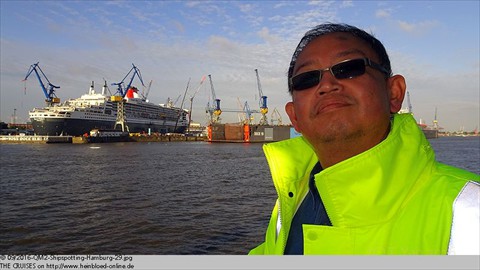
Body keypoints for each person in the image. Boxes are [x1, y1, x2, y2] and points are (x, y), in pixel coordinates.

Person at [249, 23, 479, 255]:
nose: (326, 85)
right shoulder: (290, 201)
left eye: (348, 68)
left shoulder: (467, 210)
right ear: (294, 117)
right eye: (307, 79)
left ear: (394, 93)